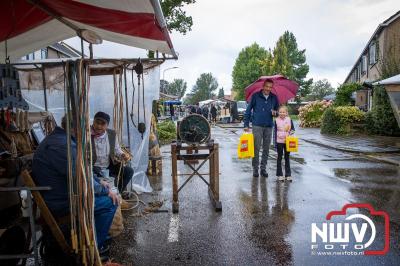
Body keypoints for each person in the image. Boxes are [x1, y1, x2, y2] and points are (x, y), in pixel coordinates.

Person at [32, 115, 118, 252]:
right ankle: (95, 248)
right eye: (86, 130)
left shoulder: (59, 139)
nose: (88, 132)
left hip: (59, 194)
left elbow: (82, 170)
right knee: (110, 202)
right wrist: (105, 191)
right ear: (77, 129)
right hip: (61, 201)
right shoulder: (63, 146)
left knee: (105, 192)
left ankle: (93, 236)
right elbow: (81, 178)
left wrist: (99, 181)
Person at [244, 79, 279, 178]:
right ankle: (255, 168)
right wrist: (246, 125)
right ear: (263, 86)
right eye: (267, 86)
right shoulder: (255, 96)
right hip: (257, 125)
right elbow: (248, 111)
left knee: (266, 149)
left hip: (268, 126)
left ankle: (263, 168)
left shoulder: (274, 98)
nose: (268, 88)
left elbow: (278, 112)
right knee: (256, 148)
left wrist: (275, 113)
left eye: (270, 87)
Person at [91, 112, 133, 193]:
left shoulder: (111, 134)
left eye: (103, 124)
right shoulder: (86, 134)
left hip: (108, 165)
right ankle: (107, 195)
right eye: (97, 123)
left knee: (129, 171)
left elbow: (117, 149)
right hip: (93, 167)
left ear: (107, 125)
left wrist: (123, 154)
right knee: (101, 183)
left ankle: (118, 193)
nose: (99, 126)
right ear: (93, 122)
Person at [274, 106, 295, 182]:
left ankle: (288, 174)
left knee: (287, 157)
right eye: (280, 112)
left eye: (284, 112)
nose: (282, 113)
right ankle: (279, 174)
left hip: (287, 141)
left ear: (286, 113)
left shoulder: (289, 119)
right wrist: (275, 143)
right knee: (279, 157)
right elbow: (274, 133)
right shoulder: (276, 120)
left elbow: (293, 129)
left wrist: (290, 132)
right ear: (278, 113)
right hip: (279, 141)